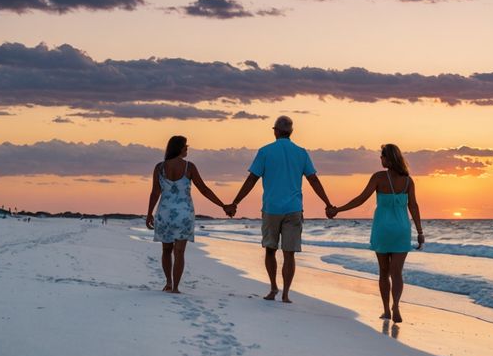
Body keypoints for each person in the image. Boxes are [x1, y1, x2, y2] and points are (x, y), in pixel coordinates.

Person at [228, 116, 334, 303]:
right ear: (291, 132)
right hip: (294, 209)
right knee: (289, 253)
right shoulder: (301, 153)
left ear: (275, 131)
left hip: (271, 208)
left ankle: (273, 288)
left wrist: (235, 202)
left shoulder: (265, 152)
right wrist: (328, 203)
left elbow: (251, 179)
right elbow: (313, 180)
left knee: (270, 250)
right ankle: (285, 293)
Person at [326, 144, 424, 323]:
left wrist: (338, 210)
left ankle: (386, 310)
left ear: (389, 158)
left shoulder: (379, 177)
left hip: (382, 229)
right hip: (402, 230)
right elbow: (414, 206)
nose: (381, 159)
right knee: (397, 273)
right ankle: (396, 307)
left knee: (384, 272)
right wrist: (420, 231)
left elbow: (361, 199)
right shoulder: (408, 181)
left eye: (382, 156)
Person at [146, 135, 233, 294]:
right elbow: (204, 190)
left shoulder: (159, 167)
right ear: (179, 148)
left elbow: (155, 192)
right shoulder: (189, 167)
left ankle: (168, 283)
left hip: (164, 213)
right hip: (184, 214)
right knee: (179, 252)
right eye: (186, 146)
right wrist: (223, 205)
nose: (187, 149)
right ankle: (176, 287)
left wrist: (149, 214)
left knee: (166, 250)